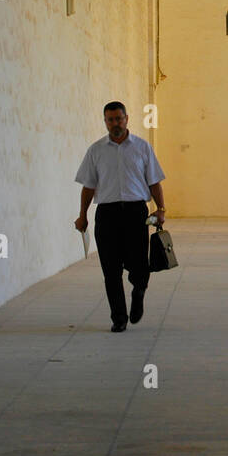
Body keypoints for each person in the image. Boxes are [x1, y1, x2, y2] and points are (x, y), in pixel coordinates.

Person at [74, 102, 166, 332]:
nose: (115, 124)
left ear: (127, 119)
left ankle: (138, 291)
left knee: (139, 266)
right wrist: (82, 215)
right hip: (107, 215)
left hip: (136, 212)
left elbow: (154, 181)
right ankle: (119, 318)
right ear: (105, 122)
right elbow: (88, 186)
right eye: (110, 120)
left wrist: (161, 209)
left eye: (119, 119)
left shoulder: (142, 148)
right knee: (110, 268)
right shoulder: (95, 150)